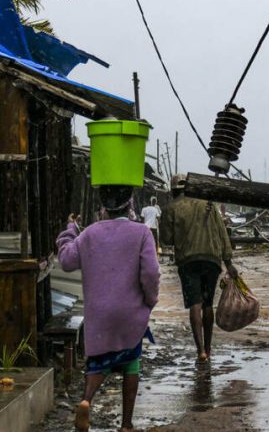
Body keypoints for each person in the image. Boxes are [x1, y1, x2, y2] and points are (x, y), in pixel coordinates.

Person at [56, 185, 160, 432]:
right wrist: (150, 300)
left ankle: (85, 400)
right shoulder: (142, 233)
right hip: (130, 312)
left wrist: (69, 231)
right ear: (130, 205)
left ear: (103, 208)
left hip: (98, 314)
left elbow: (67, 261)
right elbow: (151, 273)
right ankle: (126, 424)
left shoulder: (89, 234)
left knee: (98, 363)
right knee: (131, 362)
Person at [160, 173, 238, 363]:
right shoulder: (208, 205)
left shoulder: (171, 208)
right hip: (212, 260)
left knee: (194, 304)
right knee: (207, 304)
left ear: (173, 190)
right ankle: (209, 349)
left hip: (188, 261)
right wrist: (229, 263)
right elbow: (222, 234)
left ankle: (201, 351)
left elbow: (166, 239)